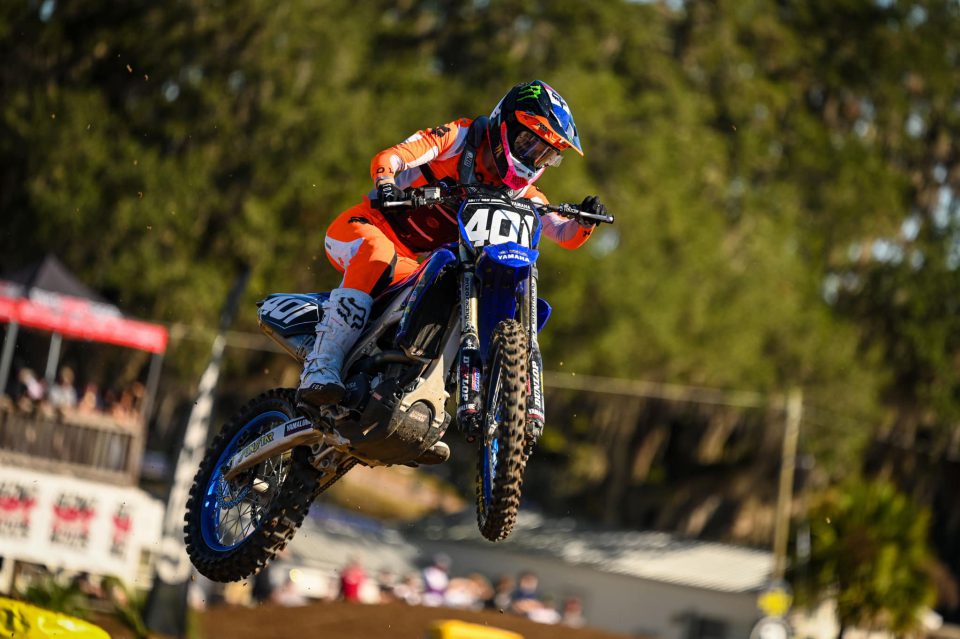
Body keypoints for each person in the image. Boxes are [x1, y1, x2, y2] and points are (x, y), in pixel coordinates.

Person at [297, 80, 608, 407]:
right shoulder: (460, 138)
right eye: (529, 144)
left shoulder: (520, 192)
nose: (534, 157)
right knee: (378, 252)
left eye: (544, 154)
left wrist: (585, 223)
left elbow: (562, 233)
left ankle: (412, 386)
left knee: (449, 285)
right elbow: (393, 156)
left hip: (411, 263)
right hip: (364, 227)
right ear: (505, 124)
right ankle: (321, 367)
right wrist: (386, 182)